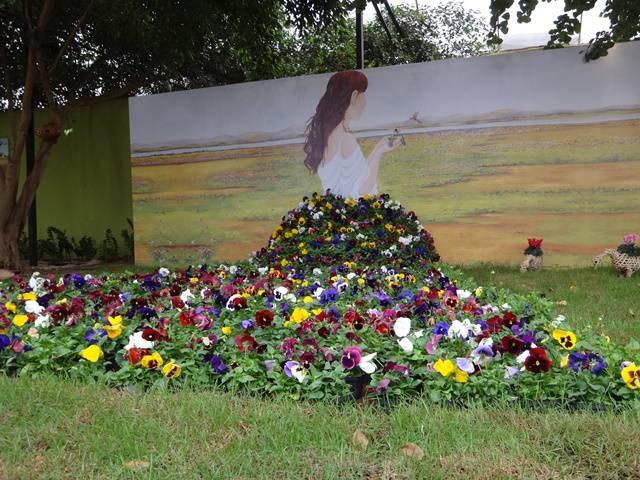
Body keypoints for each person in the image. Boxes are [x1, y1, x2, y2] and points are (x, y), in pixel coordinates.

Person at [303, 70, 402, 199]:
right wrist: (379, 154)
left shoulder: (329, 134)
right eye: (363, 94)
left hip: (336, 211)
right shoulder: (345, 138)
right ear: (354, 96)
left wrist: (378, 148)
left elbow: (357, 176)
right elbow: (362, 190)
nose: (365, 102)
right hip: (350, 214)